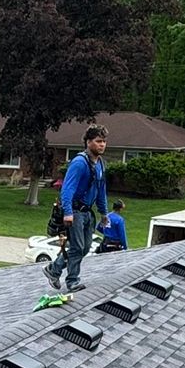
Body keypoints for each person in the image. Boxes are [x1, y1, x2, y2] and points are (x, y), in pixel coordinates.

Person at [45, 126, 109, 294]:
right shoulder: (79, 163)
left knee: (85, 247)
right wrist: (67, 212)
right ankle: (72, 281)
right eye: (98, 141)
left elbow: (101, 190)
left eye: (104, 141)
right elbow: (67, 189)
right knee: (77, 247)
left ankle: (54, 269)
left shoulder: (101, 164)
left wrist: (104, 213)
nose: (102, 145)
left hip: (88, 212)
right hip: (75, 211)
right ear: (88, 142)